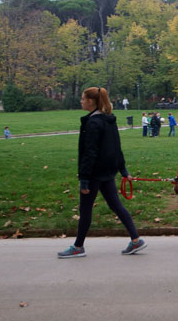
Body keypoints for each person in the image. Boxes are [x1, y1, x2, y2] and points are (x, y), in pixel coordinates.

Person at [58, 87, 146, 258]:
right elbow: (116, 148)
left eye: (83, 99)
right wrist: (122, 169)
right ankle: (136, 240)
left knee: (85, 210)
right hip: (107, 172)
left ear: (91, 101)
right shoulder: (108, 120)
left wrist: (84, 179)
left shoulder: (93, 123)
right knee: (116, 206)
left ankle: (78, 247)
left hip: (93, 174)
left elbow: (89, 153)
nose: (81, 101)